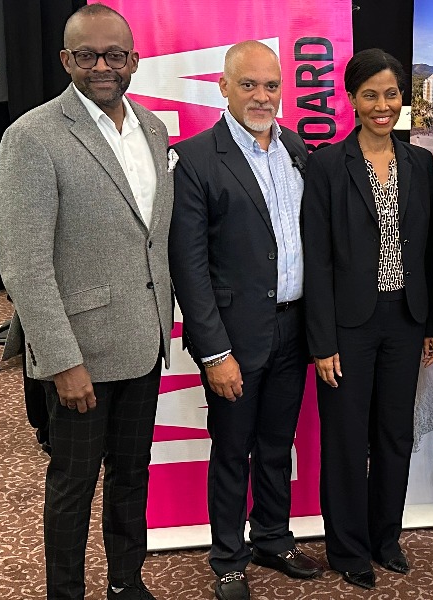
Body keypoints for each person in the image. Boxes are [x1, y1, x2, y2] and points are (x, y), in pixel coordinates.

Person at [0, 5, 173, 599]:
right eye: (87, 55)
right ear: (66, 59)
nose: (102, 67)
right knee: (73, 485)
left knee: (131, 476)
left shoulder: (153, 130)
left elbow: (152, 238)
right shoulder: (32, 136)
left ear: (134, 60)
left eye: (114, 55)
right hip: (79, 356)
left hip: (144, 342)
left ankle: (126, 583)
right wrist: (61, 360)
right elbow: (24, 263)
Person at [168, 41, 322, 600]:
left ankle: (273, 539)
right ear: (224, 88)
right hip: (234, 339)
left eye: (271, 85)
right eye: (249, 84)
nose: (262, 96)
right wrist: (214, 353)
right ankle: (229, 559)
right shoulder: (195, 159)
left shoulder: (297, 149)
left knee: (278, 444)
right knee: (233, 451)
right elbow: (189, 268)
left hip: (294, 328)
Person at [302, 48, 433, 590]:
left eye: (390, 94)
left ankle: (386, 538)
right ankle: (347, 549)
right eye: (370, 95)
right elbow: (317, 259)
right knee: (345, 439)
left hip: (405, 319)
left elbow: (430, 251)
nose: (382, 106)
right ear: (351, 100)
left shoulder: (420, 164)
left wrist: (431, 324)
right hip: (348, 327)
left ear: (402, 97)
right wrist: (322, 341)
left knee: (394, 435)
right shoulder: (326, 166)